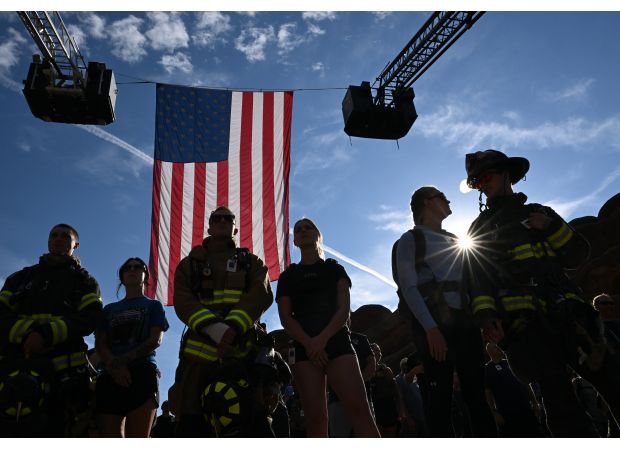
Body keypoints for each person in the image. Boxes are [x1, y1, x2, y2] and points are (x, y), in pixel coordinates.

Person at [464, 149, 620, 436]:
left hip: (571, 315)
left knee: (613, 378)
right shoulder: (479, 229)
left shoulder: (540, 213)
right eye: (476, 182)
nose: (482, 185)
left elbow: (577, 255)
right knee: (559, 405)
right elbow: (477, 280)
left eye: (485, 177)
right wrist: (487, 318)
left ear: (506, 174)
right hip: (526, 326)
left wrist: (550, 227)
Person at [394, 186, 496, 437]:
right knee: (439, 401)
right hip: (435, 326)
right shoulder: (410, 239)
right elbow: (408, 287)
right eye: (442, 196)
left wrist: (484, 321)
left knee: (477, 398)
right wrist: (431, 329)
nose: (448, 200)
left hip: (467, 326)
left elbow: (471, 283)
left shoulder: (456, 239)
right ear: (427, 203)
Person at [168, 206, 273, 437]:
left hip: (242, 353)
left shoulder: (252, 262)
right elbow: (183, 301)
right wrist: (215, 329)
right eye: (217, 218)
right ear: (209, 227)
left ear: (235, 228)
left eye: (229, 219)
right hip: (197, 360)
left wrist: (233, 327)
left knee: (251, 420)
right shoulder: (189, 265)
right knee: (193, 424)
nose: (223, 221)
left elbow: (261, 294)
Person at [276, 218, 379, 437]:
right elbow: (286, 317)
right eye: (298, 230)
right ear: (294, 241)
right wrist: (310, 343)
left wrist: (321, 340)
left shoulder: (334, 269)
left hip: (337, 342)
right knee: (315, 418)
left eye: (308, 227)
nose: (303, 231)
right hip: (304, 348)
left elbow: (344, 309)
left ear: (317, 235)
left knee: (360, 411)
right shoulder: (288, 277)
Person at [0, 224, 102, 437]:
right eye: (53, 235)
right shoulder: (20, 278)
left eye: (65, 236)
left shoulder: (84, 281)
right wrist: (29, 334)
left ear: (76, 245)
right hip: (14, 370)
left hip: (65, 377)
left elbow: (90, 318)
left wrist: (47, 334)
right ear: (48, 241)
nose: (58, 239)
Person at [95, 257, 169, 437]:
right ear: (122, 276)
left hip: (142, 372)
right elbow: (100, 343)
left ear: (145, 275)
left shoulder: (153, 305)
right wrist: (114, 366)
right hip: (109, 374)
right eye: (127, 267)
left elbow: (155, 340)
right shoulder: (108, 310)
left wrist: (123, 362)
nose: (132, 269)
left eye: (138, 267)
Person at [484, 342, 542, 437]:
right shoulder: (487, 369)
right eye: (495, 347)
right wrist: (494, 413)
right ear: (489, 352)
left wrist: (535, 403)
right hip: (507, 414)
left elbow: (525, 383)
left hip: (525, 408)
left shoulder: (510, 362)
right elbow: (487, 393)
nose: (498, 348)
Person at [328, 325, 375, 437]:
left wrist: (358, 382)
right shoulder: (327, 339)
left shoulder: (361, 339)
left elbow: (371, 362)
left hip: (363, 397)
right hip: (337, 399)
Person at [369, 343, 400, 437]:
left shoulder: (386, 370)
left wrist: (401, 409)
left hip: (389, 407)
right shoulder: (365, 371)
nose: (378, 352)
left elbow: (396, 391)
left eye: (379, 350)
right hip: (375, 408)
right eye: (375, 350)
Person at [395, 354, 426, 437]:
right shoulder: (398, 379)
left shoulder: (414, 375)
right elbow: (400, 399)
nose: (406, 367)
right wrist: (408, 418)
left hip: (422, 414)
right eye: (404, 365)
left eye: (407, 365)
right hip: (412, 416)